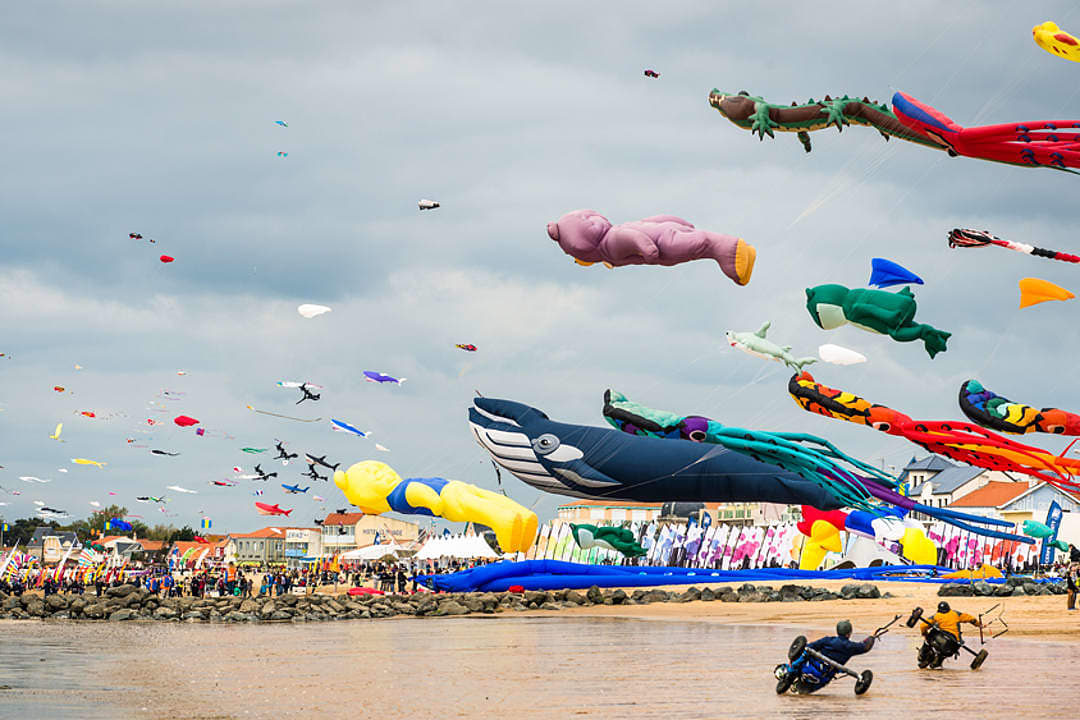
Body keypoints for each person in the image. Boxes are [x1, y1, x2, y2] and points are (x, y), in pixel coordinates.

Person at [778, 620, 875, 693]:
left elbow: (808, 647)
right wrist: (872, 636)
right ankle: (796, 683)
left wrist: (792, 657)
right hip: (823, 676)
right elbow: (865, 647)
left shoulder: (827, 640)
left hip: (808, 667)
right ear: (849, 633)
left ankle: (789, 673)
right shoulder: (851, 647)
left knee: (806, 654)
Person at [918, 601, 981, 668]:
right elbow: (971, 619)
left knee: (933, 631)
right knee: (944, 654)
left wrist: (924, 634)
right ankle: (937, 662)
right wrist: (979, 625)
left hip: (942, 642)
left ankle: (923, 655)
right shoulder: (955, 614)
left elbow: (923, 626)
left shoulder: (936, 616)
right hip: (955, 644)